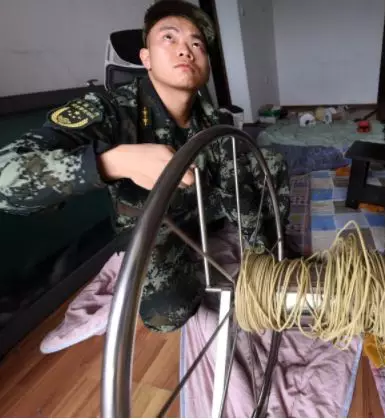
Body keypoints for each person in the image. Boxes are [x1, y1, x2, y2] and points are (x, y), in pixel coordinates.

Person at [0, 0, 290, 332]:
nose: (186, 50)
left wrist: (259, 252)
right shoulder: (111, 109)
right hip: (157, 224)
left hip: (205, 205)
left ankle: (269, 261)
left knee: (270, 163)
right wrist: (113, 161)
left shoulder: (211, 115)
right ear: (146, 58)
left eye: (197, 44)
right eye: (169, 38)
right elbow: (6, 177)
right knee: (166, 313)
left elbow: (233, 168)